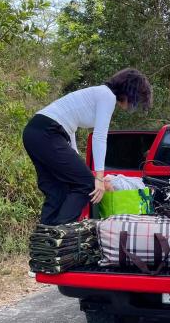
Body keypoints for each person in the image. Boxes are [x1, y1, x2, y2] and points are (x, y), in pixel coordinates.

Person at [22, 69, 152, 226]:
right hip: (48, 133)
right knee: (86, 184)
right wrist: (98, 177)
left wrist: (76, 159)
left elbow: (71, 127)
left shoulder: (96, 94)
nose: (134, 104)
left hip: (34, 132)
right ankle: (60, 233)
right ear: (129, 91)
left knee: (56, 191)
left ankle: (44, 245)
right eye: (136, 99)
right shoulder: (107, 96)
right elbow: (99, 137)